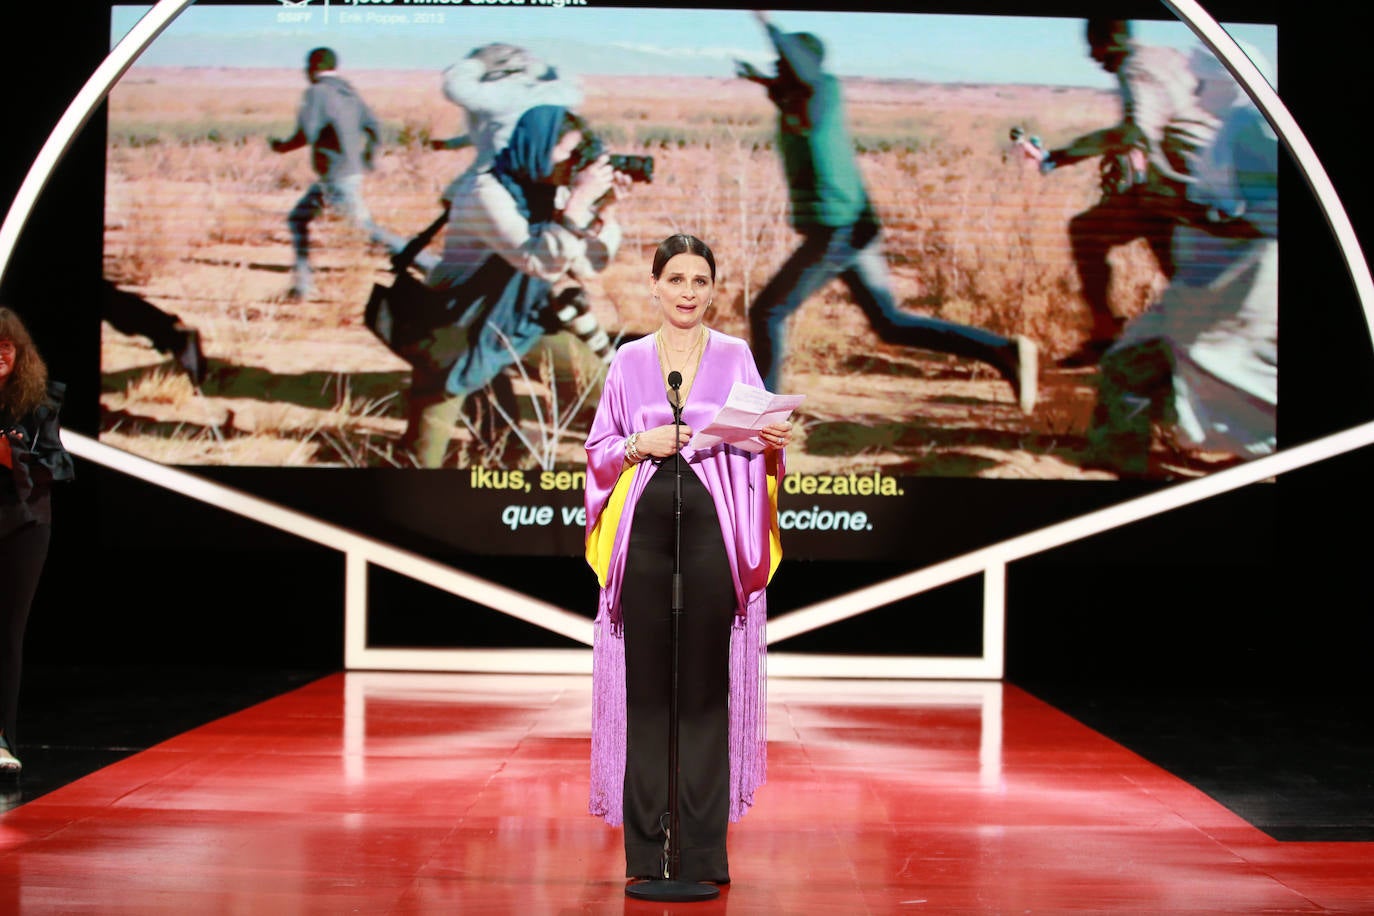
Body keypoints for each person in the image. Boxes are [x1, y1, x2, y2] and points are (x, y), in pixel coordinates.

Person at [584, 234, 789, 885]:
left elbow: (761, 448)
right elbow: (599, 452)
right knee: (648, 696)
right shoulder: (628, 361)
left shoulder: (735, 356)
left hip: (711, 540)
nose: (688, 291)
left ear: (713, 289)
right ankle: (647, 855)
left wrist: (773, 440)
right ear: (655, 285)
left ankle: (702, 853)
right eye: (677, 279)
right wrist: (640, 443)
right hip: (644, 539)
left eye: (700, 280)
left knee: (704, 694)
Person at [736, 11, 1037, 414]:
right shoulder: (799, 102)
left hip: (839, 229)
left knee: (768, 310)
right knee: (890, 323)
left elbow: (802, 72)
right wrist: (764, 80)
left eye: (783, 66)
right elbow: (786, 88)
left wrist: (766, 22)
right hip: (851, 227)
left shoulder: (822, 90)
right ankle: (1003, 351)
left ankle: (761, 421)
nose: (779, 71)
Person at [1083, 43, 1278, 476]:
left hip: (1238, 284)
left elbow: (1266, 216)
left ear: (1223, 80)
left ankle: (1116, 465)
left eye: (1202, 81)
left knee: (1144, 363)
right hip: (1219, 281)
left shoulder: (1252, 126)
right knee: (1142, 362)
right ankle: (1116, 460)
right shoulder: (1240, 123)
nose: (1193, 90)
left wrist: (1185, 208)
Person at [399, 105, 627, 467]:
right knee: (421, 457)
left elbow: (587, 265)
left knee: (603, 392)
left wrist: (604, 214)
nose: (571, 163)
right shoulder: (485, 191)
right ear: (536, 146)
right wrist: (577, 204)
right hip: (456, 326)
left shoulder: (548, 193)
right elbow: (537, 260)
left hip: (517, 320)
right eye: (566, 152)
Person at [1039, 18, 1220, 367]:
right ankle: (1117, 336)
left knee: (1096, 232)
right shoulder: (1168, 57)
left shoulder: (1134, 68)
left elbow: (1133, 133)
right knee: (1104, 231)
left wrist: (1062, 155)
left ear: (1113, 38)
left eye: (1095, 46)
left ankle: (1114, 336)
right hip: (1195, 181)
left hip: (1191, 188)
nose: (1094, 58)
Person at [0, 307, 76, 778]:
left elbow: (61, 467)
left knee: (7, 635)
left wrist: (13, 459)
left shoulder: (38, 402)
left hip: (23, 526)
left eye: (5, 346)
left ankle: (3, 739)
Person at [270, 47, 406, 301]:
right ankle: (302, 286)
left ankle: (425, 261)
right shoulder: (349, 91)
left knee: (362, 228)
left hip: (335, 174)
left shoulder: (317, 93)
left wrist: (282, 147)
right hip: (344, 172)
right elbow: (374, 125)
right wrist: (368, 157)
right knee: (298, 219)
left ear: (312, 67)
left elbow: (307, 134)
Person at [427, 42, 584, 209]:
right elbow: (502, 129)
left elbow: (456, 88)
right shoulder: (554, 92)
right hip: (551, 173)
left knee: (454, 199)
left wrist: (475, 63)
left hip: (502, 173)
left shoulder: (500, 92)